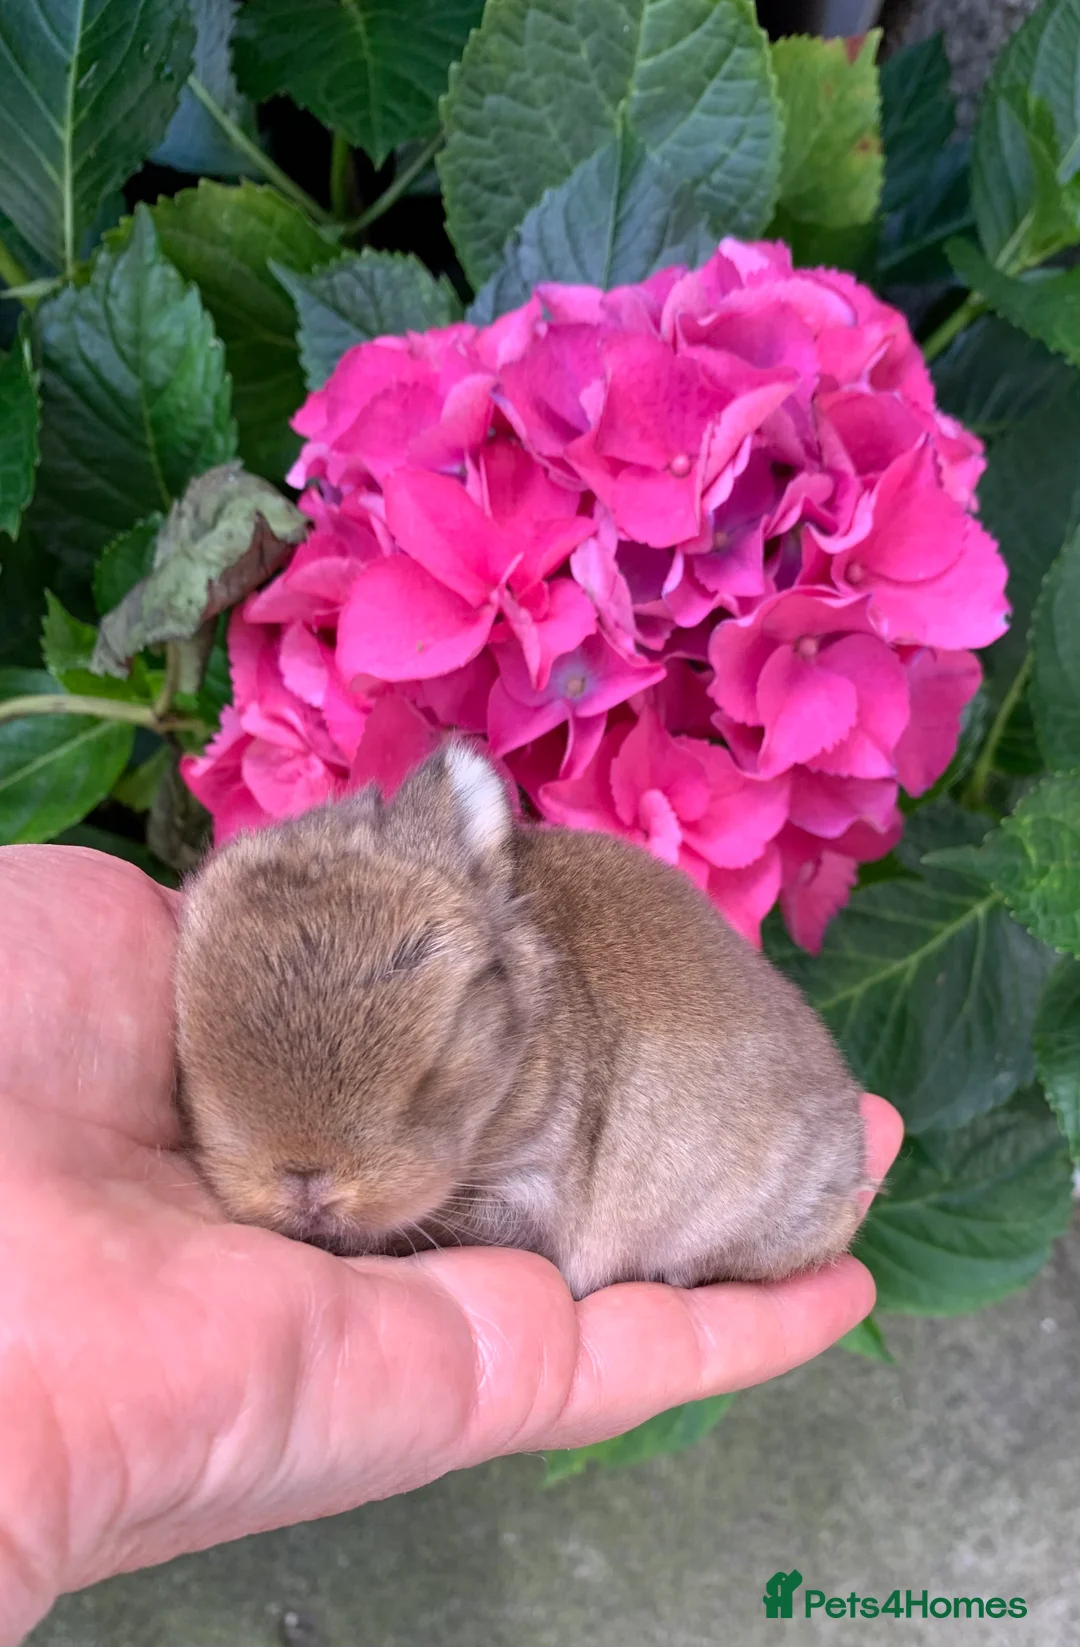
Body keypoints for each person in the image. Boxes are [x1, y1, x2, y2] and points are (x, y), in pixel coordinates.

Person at [0, 846, 903, 1643]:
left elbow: (525, 1195)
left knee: (783, 1199)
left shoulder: (532, 1042)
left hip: (741, 1150)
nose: (313, 1190)